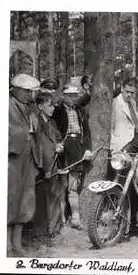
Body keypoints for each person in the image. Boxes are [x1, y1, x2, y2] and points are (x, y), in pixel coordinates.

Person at [8, 73, 42, 256]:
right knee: (10, 197)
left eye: (32, 92)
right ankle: (6, 244)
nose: (31, 95)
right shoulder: (6, 105)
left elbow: (36, 133)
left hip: (28, 157)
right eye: (28, 92)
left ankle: (17, 243)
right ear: (17, 90)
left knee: (25, 200)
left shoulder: (32, 109)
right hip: (12, 157)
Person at [52, 84, 92, 229]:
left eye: (75, 95)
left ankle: (75, 218)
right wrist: (57, 143)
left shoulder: (80, 110)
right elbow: (53, 128)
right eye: (69, 95)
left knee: (73, 185)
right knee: (61, 185)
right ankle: (61, 219)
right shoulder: (57, 110)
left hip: (77, 147)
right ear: (63, 96)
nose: (73, 98)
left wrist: (87, 149)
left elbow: (87, 132)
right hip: (62, 147)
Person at [32, 92, 66, 239]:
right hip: (41, 165)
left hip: (53, 164)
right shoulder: (35, 121)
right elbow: (35, 145)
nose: (52, 108)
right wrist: (41, 166)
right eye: (49, 105)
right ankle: (40, 231)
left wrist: (59, 145)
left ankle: (53, 229)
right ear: (40, 106)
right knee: (40, 198)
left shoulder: (52, 122)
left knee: (54, 196)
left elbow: (58, 137)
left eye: (53, 105)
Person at [111, 77, 138, 152]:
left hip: (134, 146)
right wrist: (114, 146)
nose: (129, 95)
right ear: (122, 89)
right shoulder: (114, 103)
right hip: (120, 147)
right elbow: (109, 128)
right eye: (127, 91)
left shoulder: (133, 103)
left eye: (132, 93)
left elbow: (136, 124)